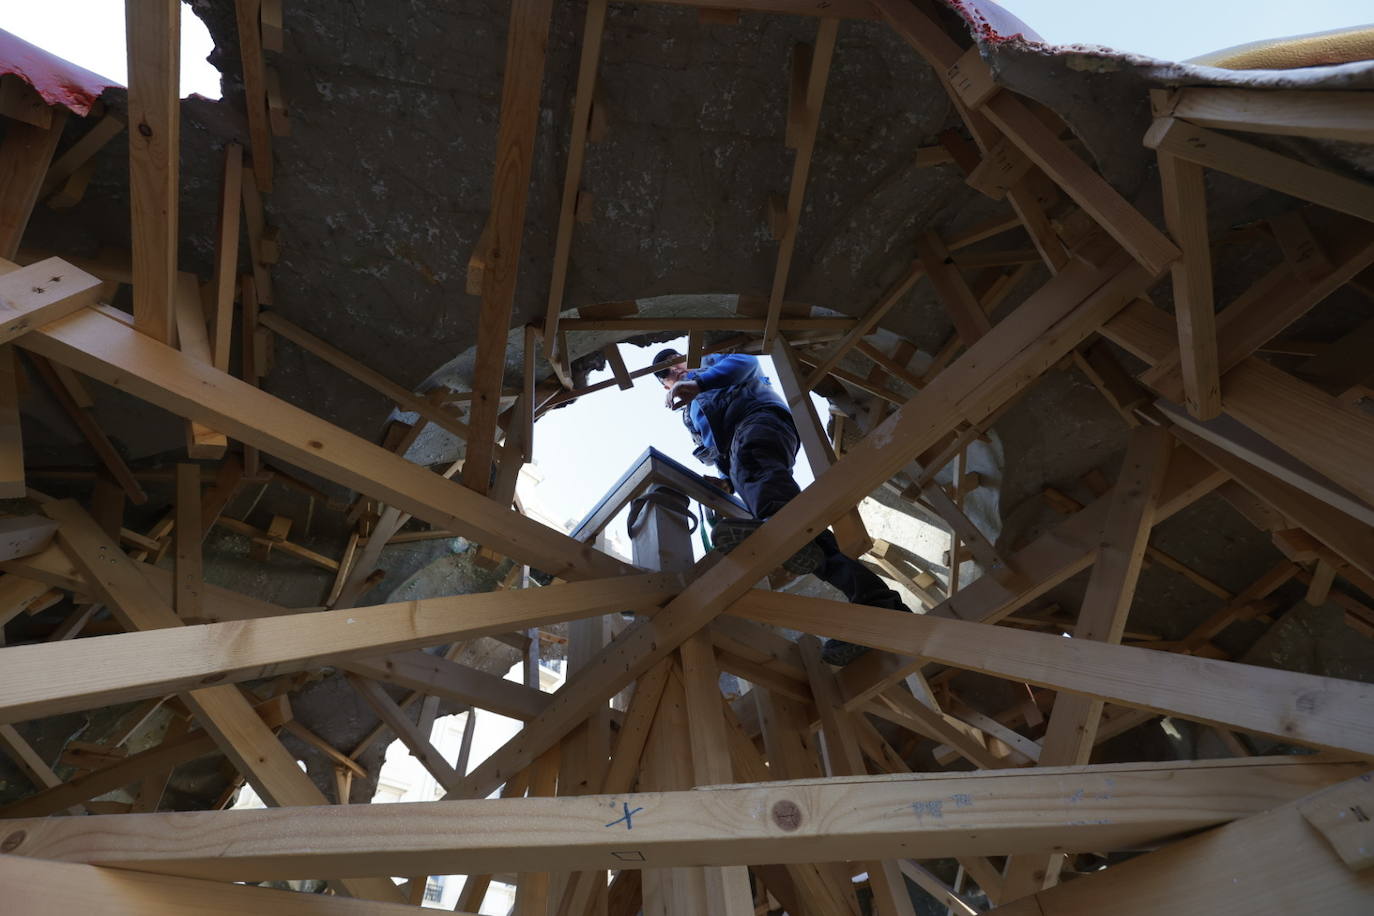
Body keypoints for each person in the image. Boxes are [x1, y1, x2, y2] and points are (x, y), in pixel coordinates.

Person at [654, 348, 911, 665]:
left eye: (674, 361)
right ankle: (878, 605)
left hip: (757, 422)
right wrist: (726, 482)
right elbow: (719, 448)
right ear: (666, 387)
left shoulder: (711, 364)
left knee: (772, 504)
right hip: (739, 458)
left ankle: (777, 527)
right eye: (665, 374)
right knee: (807, 544)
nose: (674, 371)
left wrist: (700, 382)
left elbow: (746, 362)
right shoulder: (692, 415)